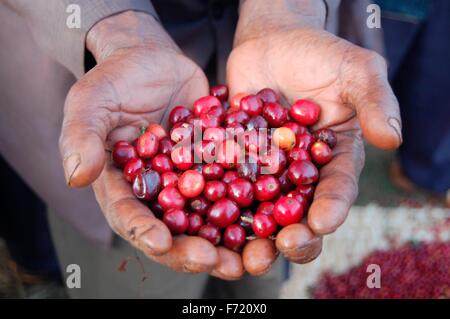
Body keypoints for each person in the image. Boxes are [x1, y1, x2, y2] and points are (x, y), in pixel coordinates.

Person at [0, 0, 402, 298]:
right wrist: (115, 25)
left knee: (260, 279)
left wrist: (286, 10)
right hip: (94, 74)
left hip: (275, 60)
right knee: (129, 279)